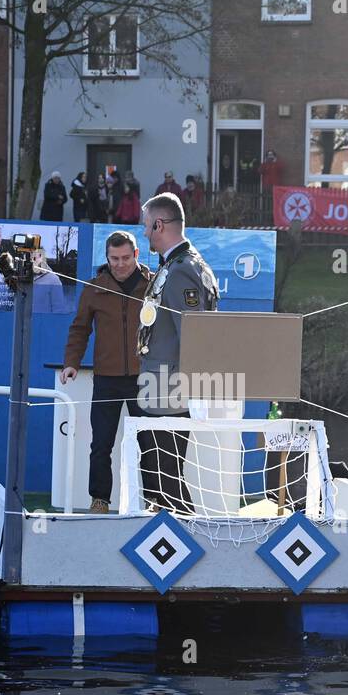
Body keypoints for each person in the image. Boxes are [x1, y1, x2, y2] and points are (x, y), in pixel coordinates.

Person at [137, 192, 219, 513]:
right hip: (160, 385)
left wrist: (195, 391)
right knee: (158, 475)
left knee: (165, 477)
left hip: (167, 389)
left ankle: (191, 539)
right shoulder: (179, 263)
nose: (144, 233)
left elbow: (193, 333)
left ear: (159, 224)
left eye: (146, 226)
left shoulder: (183, 268)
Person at [61, 230, 153, 513]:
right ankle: (99, 500)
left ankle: (155, 501)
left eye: (126, 258)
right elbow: (80, 329)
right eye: (114, 258)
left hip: (145, 378)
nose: (120, 264)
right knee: (101, 445)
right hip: (106, 379)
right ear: (107, 257)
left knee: (149, 444)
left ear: (136, 255)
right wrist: (71, 363)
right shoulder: (93, 288)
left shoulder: (155, 286)